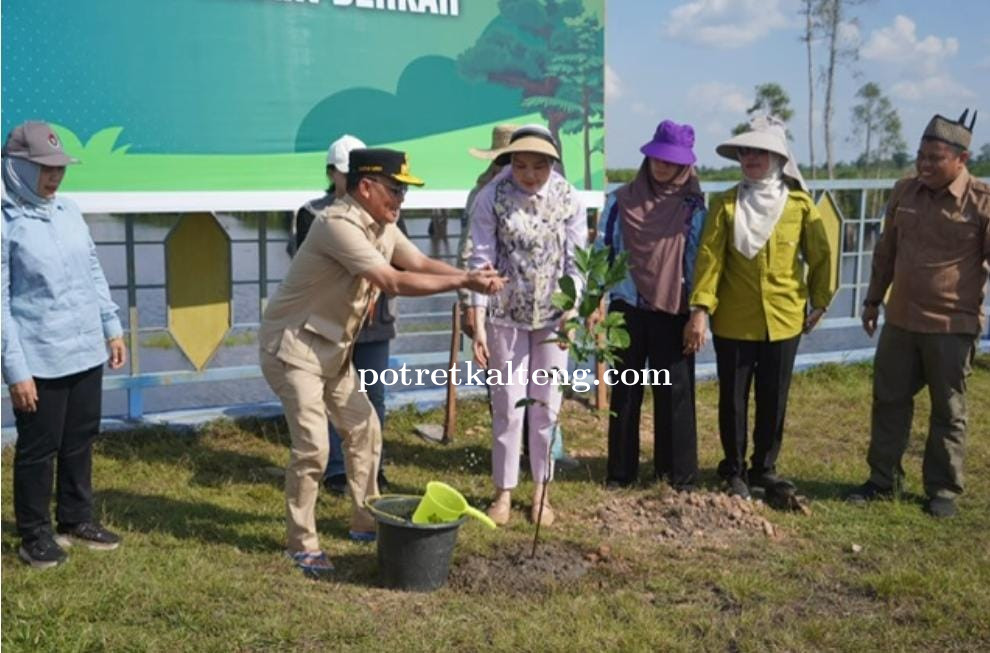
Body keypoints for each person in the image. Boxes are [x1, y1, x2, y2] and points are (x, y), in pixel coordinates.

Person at [259, 148, 504, 575]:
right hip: (294, 348)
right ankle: (301, 543)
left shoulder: (382, 226)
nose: (401, 200)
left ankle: (365, 520)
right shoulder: (336, 224)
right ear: (366, 187)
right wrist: (466, 281)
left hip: (332, 350)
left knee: (364, 428)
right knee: (314, 446)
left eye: (404, 191)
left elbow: (419, 263)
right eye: (395, 190)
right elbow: (392, 280)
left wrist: (468, 276)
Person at [848, 109, 989, 518]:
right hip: (901, 320)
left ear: (961, 159)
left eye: (935, 158)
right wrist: (873, 300)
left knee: (948, 410)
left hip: (951, 325)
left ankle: (943, 489)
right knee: (888, 400)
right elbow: (886, 252)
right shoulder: (903, 192)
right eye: (920, 156)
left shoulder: (981, 202)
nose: (924, 165)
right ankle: (882, 478)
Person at [685, 115, 834, 500]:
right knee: (733, 399)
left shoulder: (799, 204)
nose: (751, 157)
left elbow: (819, 254)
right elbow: (710, 259)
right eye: (746, 151)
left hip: (784, 319)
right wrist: (701, 308)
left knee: (774, 397)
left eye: (760, 151)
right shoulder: (726, 204)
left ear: (779, 158)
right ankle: (732, 468)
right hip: (735, 319)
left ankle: (764, 467)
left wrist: (820, 301)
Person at [2, 121, 128, 568]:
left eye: (59, 168)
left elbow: (91, 271)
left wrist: (110, 325)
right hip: (39, 356)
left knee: (79, 438)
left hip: (83, 349)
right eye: (44, 168)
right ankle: (33, 533)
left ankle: (75, 518)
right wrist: (15, 369)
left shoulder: (67, 211)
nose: (55, 177)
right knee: (38, 448)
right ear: (16, 166)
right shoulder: (5, 220)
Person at [469, 125, 587, 526]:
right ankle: (503, 492)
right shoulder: (491, 198)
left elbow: (577, 261)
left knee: (546, 406)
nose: (530, 174)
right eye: (521, 165)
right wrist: (478, 319)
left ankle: (541, 492)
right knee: (507, 405)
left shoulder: (569, 198)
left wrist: (572, 308)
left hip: (554, 316)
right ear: (510, 163)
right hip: (505, 315)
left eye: (539, 166)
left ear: (552, 163)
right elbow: (481, 259)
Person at [598, 119, 706, 490]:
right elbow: (604, 249)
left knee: (674, 391)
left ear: (684, 165)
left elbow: (698, 261)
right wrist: (597, 297)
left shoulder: (694, 206)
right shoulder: (621, 199)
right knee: (626, 389)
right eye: (657, 158)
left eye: (670, 160)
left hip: (674, 310)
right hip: (627, 305)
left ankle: (677, 476)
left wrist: (698, 312)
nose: (662, 166)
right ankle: (620, 473)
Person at [290, 134, 396, 496]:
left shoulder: (386, 210)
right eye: (344, 173)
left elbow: (396, 261)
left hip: (374, 319)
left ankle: (371, 472)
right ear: (332, 173)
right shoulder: (315, 214)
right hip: (328, 323)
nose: (352, 182)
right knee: (328, 397)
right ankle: (336, 470)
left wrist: (375, 295)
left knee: (372, 396)